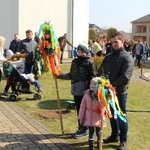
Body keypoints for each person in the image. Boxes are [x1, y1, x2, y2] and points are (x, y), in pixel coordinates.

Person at [98, 32, 134, 150]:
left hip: (119, 93)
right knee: (111, 115)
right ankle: (114, 136)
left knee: (121, 116)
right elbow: (101, 71)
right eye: (112, 42)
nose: (113, 44)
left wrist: (110, 85)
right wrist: (100, 81)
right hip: (107, 93)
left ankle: (123, 141)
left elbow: (125, 77)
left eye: (116, 42)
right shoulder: (108, 56)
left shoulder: (127, 58)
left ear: (122, 42)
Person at [57, 42, 96, 138]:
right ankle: (80, 127)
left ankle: (85, 128)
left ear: (86, 52)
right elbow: (71, 75)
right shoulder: (74, 62)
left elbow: (93, 77)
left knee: (85, 110)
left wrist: (91, 90)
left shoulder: (89, 62)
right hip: (75, 90)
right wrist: (59, 75)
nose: (79, 53)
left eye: (81, 51)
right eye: (78, 51)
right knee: (79, 110)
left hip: (85, 91)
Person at [78, 77, 106, 150]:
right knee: (90, 132)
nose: (92, 85)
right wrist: (81, 117)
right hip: (89, 117)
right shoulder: (86, 94)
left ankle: (99, 146)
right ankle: (90, 147)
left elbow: (104, 106)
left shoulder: (101, 95)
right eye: (91, 83)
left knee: (98, 132)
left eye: (94, 84)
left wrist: (103, 112)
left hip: (98, 118)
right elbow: (82, 107)